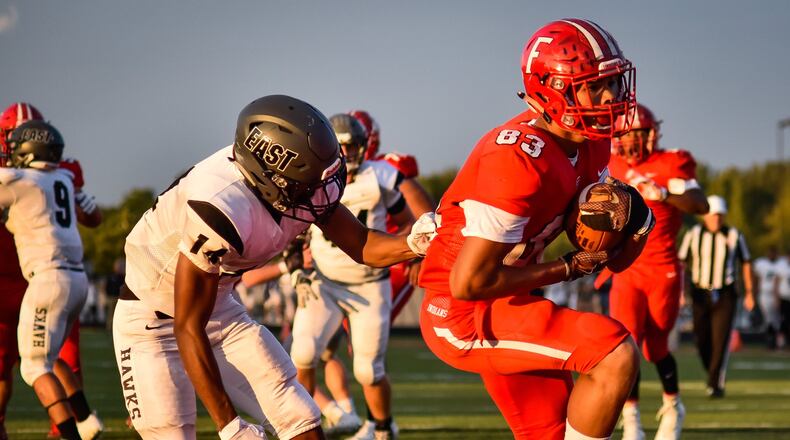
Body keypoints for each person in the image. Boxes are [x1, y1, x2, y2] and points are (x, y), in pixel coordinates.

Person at [114, 95, 434, 440]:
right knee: (172, 433)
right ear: (273, 176)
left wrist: (413, 243)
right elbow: (188, 327)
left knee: (300, 418)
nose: (321, 189)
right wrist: (230, 425)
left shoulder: (297, 188)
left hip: (220, 310)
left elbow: (360, 243)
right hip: (152, 320)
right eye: (308, 180)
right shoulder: (220, 205)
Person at [418, 18, 655, 439]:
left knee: (549, 433)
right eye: (594, 85)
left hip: (509, 300)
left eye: (614, 82)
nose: (610, 96)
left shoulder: (592, 141)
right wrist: (565, 268)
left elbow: (612, 262)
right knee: (613, 352)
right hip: (463, 315)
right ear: (554, 89)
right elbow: (468, 283)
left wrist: (635, 224)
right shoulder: (517, 159)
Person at [289, 113, 415, 440]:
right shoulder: (312, 177)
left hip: (370, 285)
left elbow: (407, 221)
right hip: (325, 282)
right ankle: (302, 426)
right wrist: (296, 270)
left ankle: (384, 428)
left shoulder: (381, 175)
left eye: (355, 146)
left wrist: (410, 250)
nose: (351, 153)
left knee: (368, 370)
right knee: (302, 352)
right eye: (344, 146)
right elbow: (295, 230)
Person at [605, 103, 709, 440]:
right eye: (626, 133)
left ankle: (673, 405)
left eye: (637, 133)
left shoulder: (669, 164)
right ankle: (631, 416)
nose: (631, 141)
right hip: (627, 268)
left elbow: (700, 203)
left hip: (662, 268)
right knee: (627, 342)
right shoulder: (610, 163)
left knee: (656, 347)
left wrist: (664, 194)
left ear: (651, 135)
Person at [0, 120, 103, 440]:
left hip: (47, 279)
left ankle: (71, 434)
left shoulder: (15, 179)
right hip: (77, 280)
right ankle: (86, 421)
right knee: (50, 356)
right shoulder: (64, 177)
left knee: (33, 367)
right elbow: (95, 216)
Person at [678, 195, 754, 398]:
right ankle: (712, 371)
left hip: (726, 293)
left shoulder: (734, 235)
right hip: (700, 292)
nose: (716, 220)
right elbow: (681, 264)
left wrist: (749, 293)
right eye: (712, 216)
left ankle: (715, 383)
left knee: (721, 340)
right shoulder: (693, 233)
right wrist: (680, 290)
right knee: (701, 339)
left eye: (720, 216)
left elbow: (746, 262)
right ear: (705, 216)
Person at [752, 246, 784, 349]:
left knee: (778, 319)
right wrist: (754, 291)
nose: (771, 255)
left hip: (780, 294)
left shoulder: (782, 264)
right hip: (765, 293)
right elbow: (755, 277)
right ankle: (771, 341)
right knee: (768, 318)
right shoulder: (761, 263)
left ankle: (777, 341)